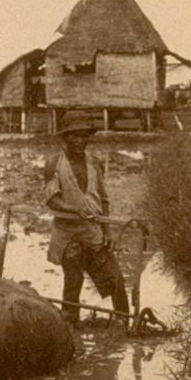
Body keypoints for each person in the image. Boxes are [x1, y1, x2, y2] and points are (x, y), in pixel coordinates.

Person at [42, 122, 130, 325]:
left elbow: (104, 198)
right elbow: (51, 199)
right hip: (67, 234)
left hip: (93, 231)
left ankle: (125, 323)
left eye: (84, 136)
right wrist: (75, 210)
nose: (81, 141)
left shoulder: (94, 163)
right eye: (76, 136)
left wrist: (108, 231)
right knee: (73, 281)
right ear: (66, 138)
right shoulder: (54, 163)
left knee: (115, 279)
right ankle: (70, 327)